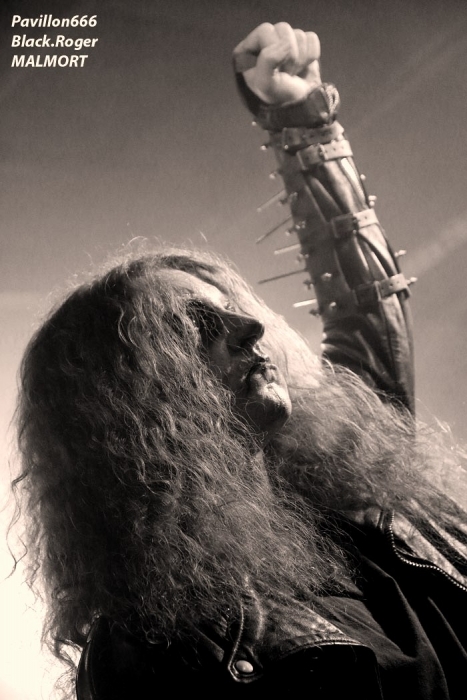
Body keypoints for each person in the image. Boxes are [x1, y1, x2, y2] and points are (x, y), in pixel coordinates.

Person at [13, 22, 467, 700]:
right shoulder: (149, 646)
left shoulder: (346, 489)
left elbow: (367, 314)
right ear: (126, 409)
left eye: (232, 307)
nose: (251, 326)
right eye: (198, 325)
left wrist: (304, 124)